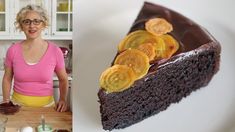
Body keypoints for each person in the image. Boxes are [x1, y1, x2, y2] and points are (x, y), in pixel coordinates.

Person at [1, 5, 69, 112]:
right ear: (21, 25)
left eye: (36, 21)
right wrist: (6, 100)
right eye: (26, 22)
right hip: (17, 108)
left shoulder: (55, 51)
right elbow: (7, 78)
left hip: (47, 108)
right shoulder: (13, 50)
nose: (32, 25)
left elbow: (64, 79)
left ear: (43, 24)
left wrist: (63, 99)